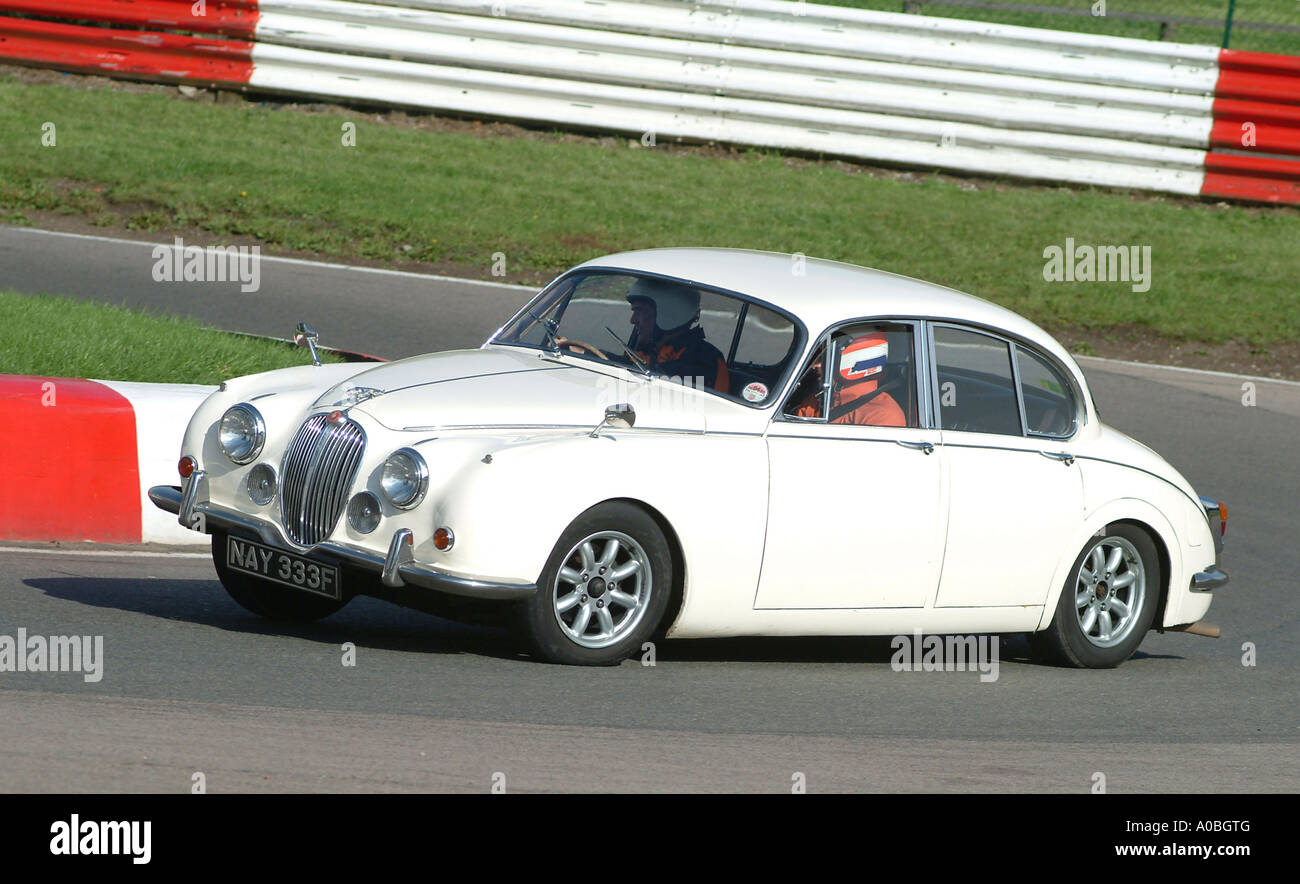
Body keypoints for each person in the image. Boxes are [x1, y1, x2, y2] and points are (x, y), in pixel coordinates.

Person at [623, 278, 730, 394]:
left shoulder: (706, 361)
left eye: (639, 310)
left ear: (668, 313)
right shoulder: (646, 350)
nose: (633, 320)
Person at [793, 333, 906, 427]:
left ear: (851, 361)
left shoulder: (882, 414)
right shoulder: (816, 402)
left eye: (826, 359)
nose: (815, 365)